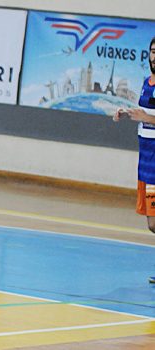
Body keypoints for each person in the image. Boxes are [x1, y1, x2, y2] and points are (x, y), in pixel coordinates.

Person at [114, 36, 155, 284]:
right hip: (147, 159)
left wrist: (146, 118)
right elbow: (147, 113)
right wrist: (129, 113)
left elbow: (150, 117)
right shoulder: (145, 83)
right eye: (152, 50)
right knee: (152, 223)